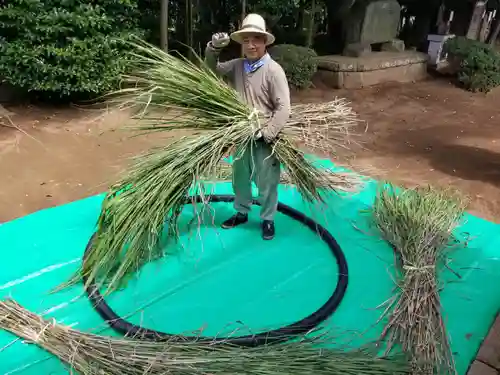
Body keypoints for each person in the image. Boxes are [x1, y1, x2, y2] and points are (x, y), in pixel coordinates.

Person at [204, 13, 291, 241]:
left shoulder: (274, 71)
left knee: (266, 180)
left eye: (256, 40)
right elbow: (212, 69)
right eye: (246, 41)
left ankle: (268, 219)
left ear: (264, 42)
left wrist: (268, 133)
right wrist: (213, 48)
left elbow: (284, 108)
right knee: (240, 176)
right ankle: (241, 212)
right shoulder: (238, 66)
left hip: (264, 136)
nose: (250, 45)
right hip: (242, 133)